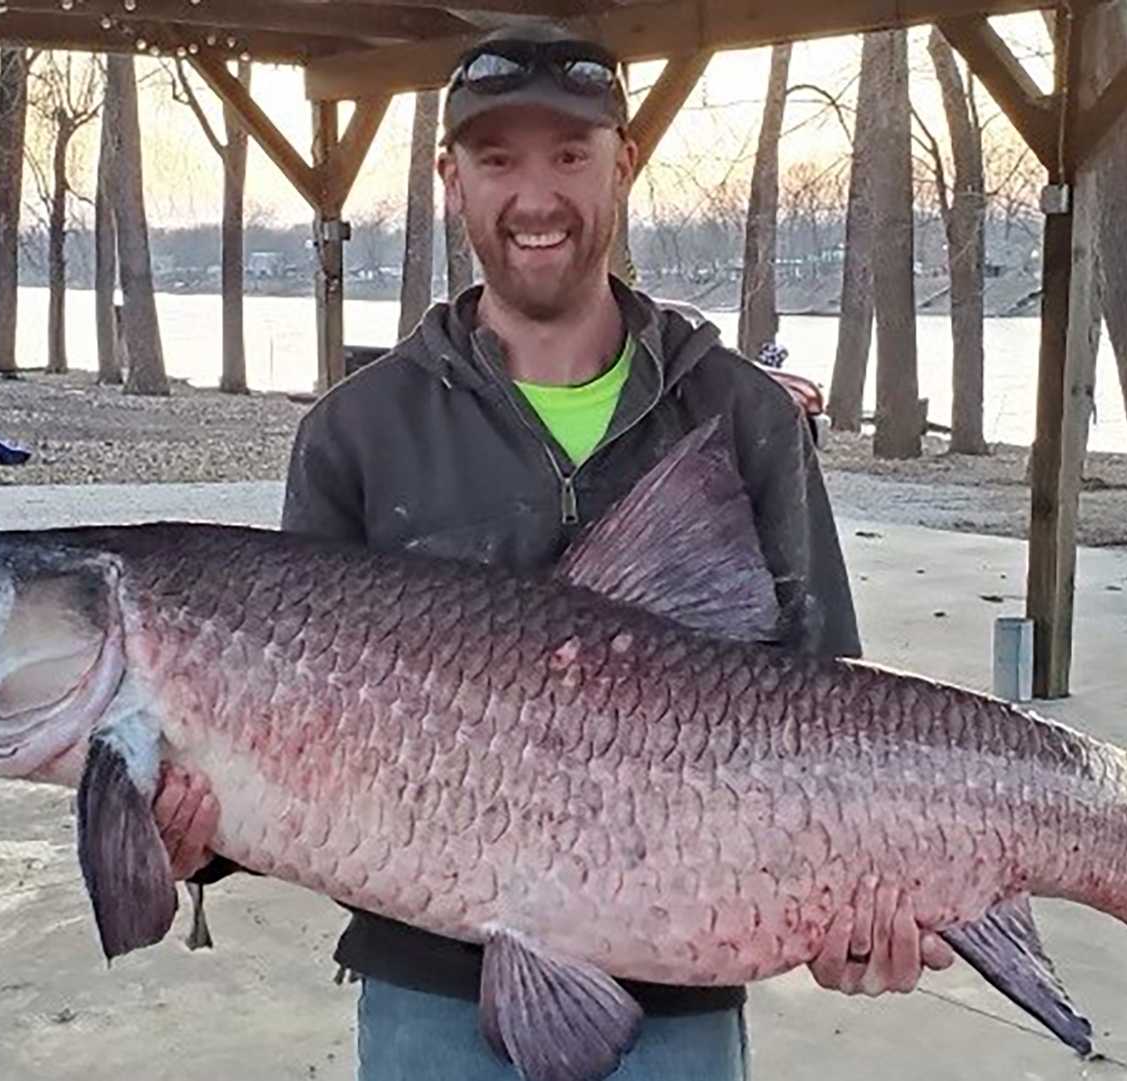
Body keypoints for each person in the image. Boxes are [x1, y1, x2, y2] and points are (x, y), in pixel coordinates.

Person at [151, 23, 952, 1079]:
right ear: (450, 179)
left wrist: (858, 898)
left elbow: (825, 701)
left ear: (623, 164)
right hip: (429, 997)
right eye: (498, 160)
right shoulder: (354, 435)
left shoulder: (743, 416)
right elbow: (287, 736)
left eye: (570, 155)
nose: (537, 197)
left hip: (681, 997)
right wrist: (193, 838)